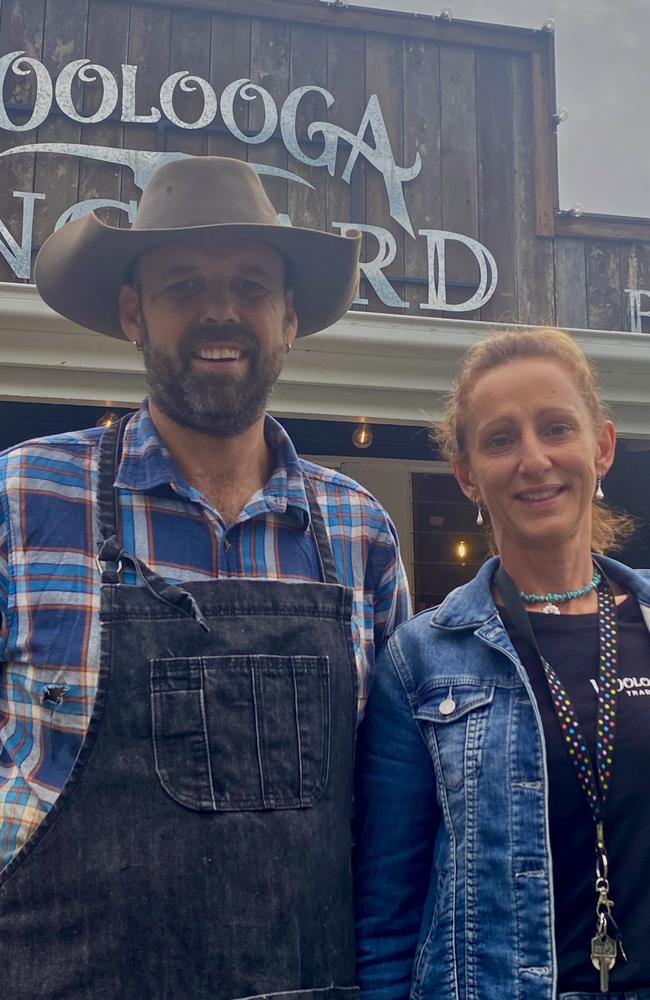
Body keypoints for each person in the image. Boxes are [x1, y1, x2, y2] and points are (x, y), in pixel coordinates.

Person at [0, 155, 411, 1000]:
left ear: (289, 318)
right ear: (132, 313)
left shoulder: (359, 531)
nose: (221, 310)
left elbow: (393, 808)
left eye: (252, 286)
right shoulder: (19, 499)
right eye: (183, 284)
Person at [354, 327, 650, 1000]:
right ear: (466, 474)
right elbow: (388, 917)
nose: (534, 459)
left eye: (555, 428)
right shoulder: (420, 659)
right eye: (499, 440)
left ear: (600, 447)